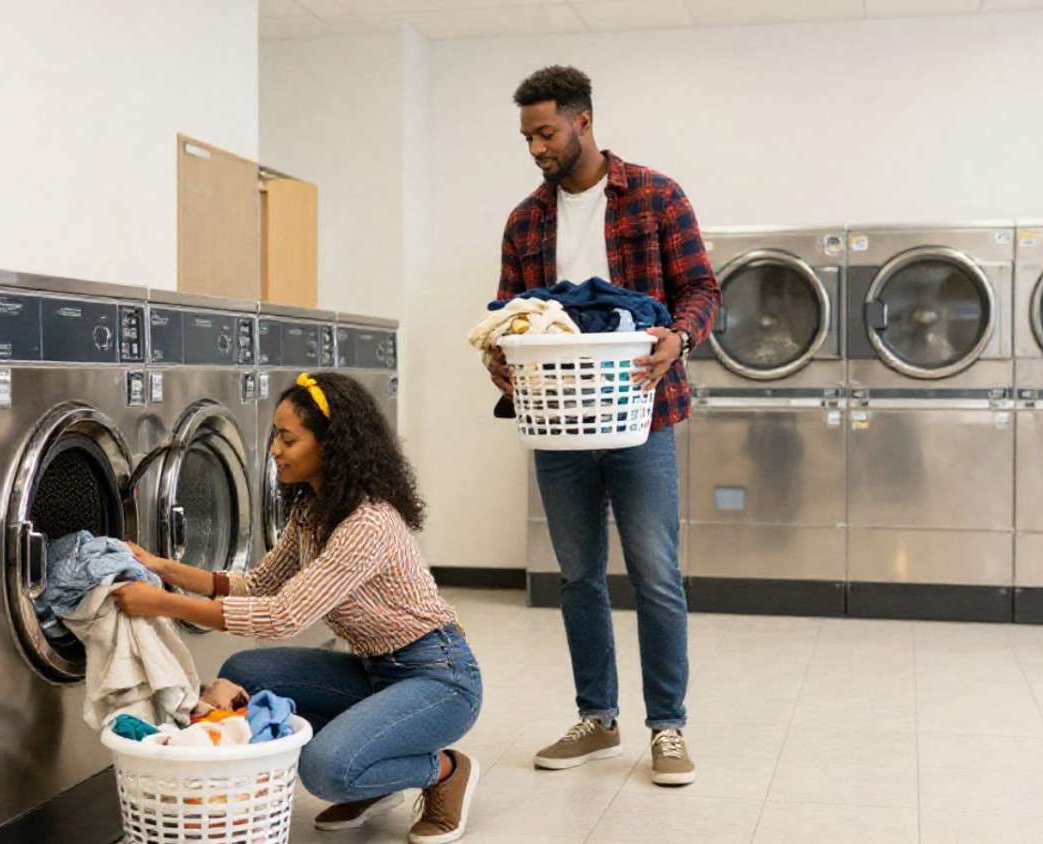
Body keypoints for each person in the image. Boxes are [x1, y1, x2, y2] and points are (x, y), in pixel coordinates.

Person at [114, 372, 482, 844]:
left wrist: (160, 604)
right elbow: (260, 583)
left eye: (288, 439)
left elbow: (283, 615)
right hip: (375, 673)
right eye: (275, 437)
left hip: (439, 678)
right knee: (246, 670)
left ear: (332, 445)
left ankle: (446, 770)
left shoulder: (366, 523)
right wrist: (162, 566)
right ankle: (372, 767)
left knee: (324, 770)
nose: (275, 450)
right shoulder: (312, 510)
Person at [489, 65, 719, 787]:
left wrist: (677, 337)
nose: (536, 148)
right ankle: (597, 718)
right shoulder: (527, 219)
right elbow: (506, 311)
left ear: (583, 121)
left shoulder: (654, 195)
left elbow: (702, 288)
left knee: (654, 573)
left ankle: (668, 728)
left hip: (641, 414)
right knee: (579, 575)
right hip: (560, 420)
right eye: (527, 135)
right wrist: (501, 357)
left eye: (546, 132)